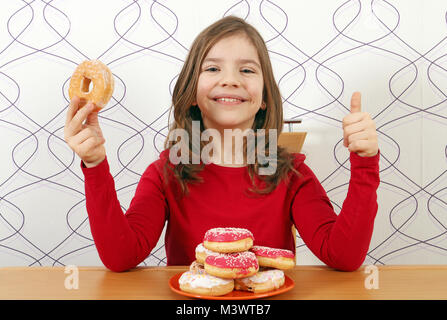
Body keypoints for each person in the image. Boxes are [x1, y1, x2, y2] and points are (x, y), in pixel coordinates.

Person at [64, 16, 379, 272]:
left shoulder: (291, 172)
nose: (230, 79)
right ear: (191, 93)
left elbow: (343, 256)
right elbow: (121, 257)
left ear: (265, 98)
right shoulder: (166, 172)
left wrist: (365, 162)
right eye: (213, 68)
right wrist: (94, 165)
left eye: (246, 70)